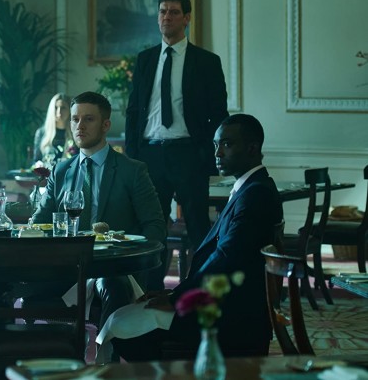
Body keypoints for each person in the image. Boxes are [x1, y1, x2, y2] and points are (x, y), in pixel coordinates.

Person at [110, 113, 283, 361]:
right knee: (124, 318)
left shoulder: (256, 194)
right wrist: (175, 293)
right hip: (226, 303)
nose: (217, 153)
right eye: (216, 145)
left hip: (231, 316)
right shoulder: (252, 188)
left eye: (227, 144)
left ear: (252, 148)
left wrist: (179, 297)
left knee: (123, 328)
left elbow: (225, 259)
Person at [31, 91, 166, 332]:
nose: (79, 126)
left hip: (113, 268)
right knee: (7, 281)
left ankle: (108, 353)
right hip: (67, 269)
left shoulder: (132, 171)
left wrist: (134, 262)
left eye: (88, 119)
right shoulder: (60, 171)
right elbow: (39, 222)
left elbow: (155, 227)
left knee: (112, 285)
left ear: (105, 125)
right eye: (75, 119)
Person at [124, 0, 229, 291]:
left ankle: (202, 291)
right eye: (162, 12)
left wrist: (206, 154)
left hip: (188, 154)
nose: (166, 17)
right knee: (152, 227)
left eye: (173, 12)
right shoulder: (145, 59)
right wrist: (133, 156)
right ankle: (151, 292)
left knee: (198, 227)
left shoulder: (206, 61)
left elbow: (218, 114)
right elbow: (133, 111)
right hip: (150, 155)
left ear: (187, 18)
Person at [32, 93, 73, 164]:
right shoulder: (41, 133)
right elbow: (36, 161)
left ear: (70, 110)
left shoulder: (75, 133)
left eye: (63, 108)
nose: (59, 112)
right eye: (56, 107)